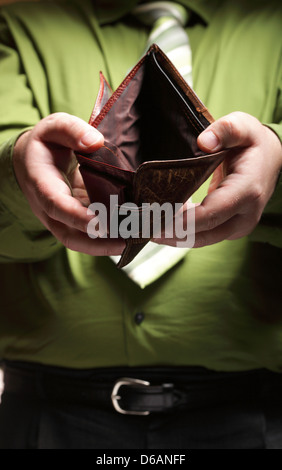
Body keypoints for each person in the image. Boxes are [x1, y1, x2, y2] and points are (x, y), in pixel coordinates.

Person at [0, 0, 281, 450]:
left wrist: (276, 163)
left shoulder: (274, 26)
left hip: (250, 410)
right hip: (47, 411)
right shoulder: (15, 24)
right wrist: (15, 167)